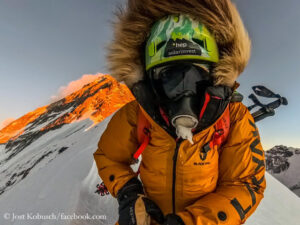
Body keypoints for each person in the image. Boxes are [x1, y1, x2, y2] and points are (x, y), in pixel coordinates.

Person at [93, 0, 266, 224]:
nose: (183, 89)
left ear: (214, 75)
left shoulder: (233, 116)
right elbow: (108, 156)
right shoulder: (138, 113)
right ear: (151, 78)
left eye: (197, 75)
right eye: (168, 75)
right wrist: (129, 193)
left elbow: (247, 183)